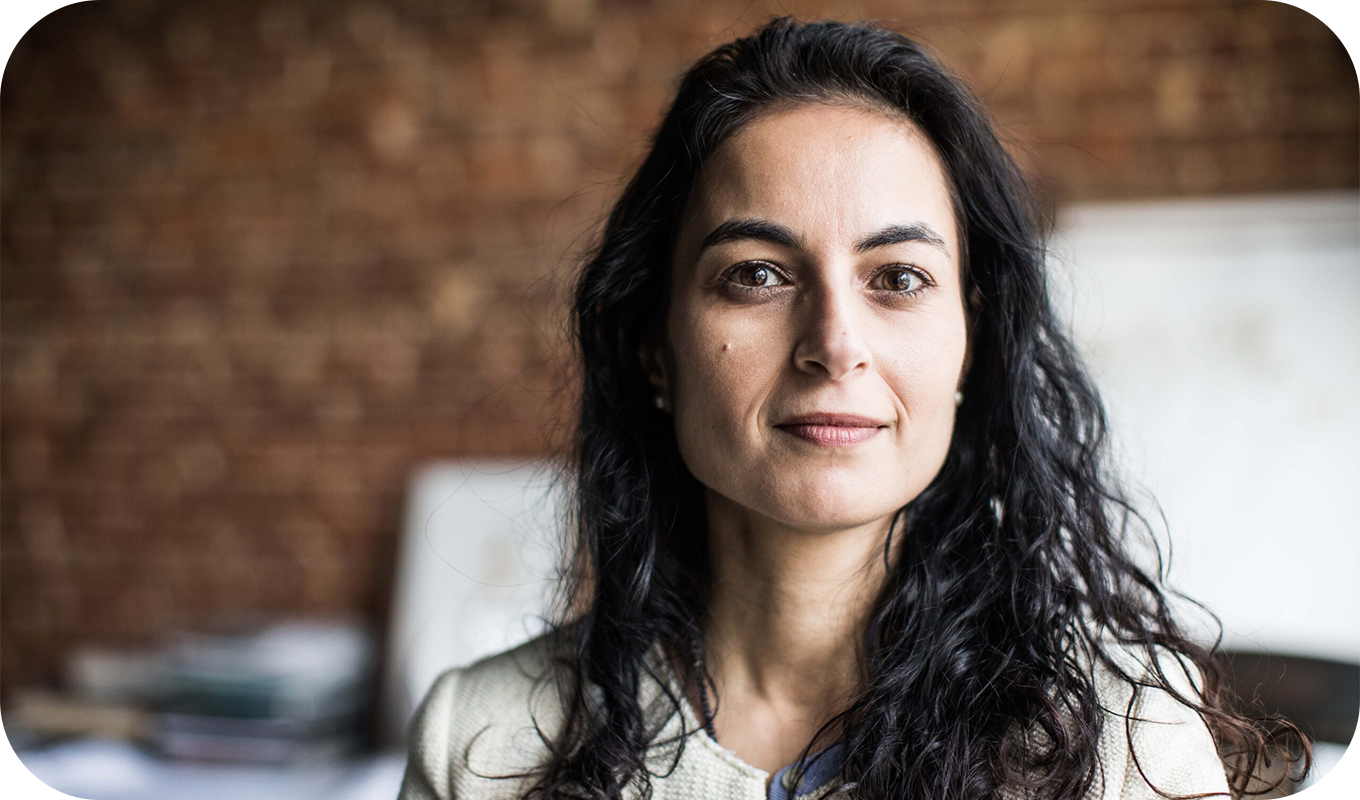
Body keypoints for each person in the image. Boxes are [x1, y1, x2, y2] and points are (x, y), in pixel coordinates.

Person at [398, 16, 1308, 800]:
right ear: (655, 349)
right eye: (757, 274)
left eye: (899, 278)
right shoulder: (483, 744)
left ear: (971, 346)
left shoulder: (1122, 738)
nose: (835, 342)